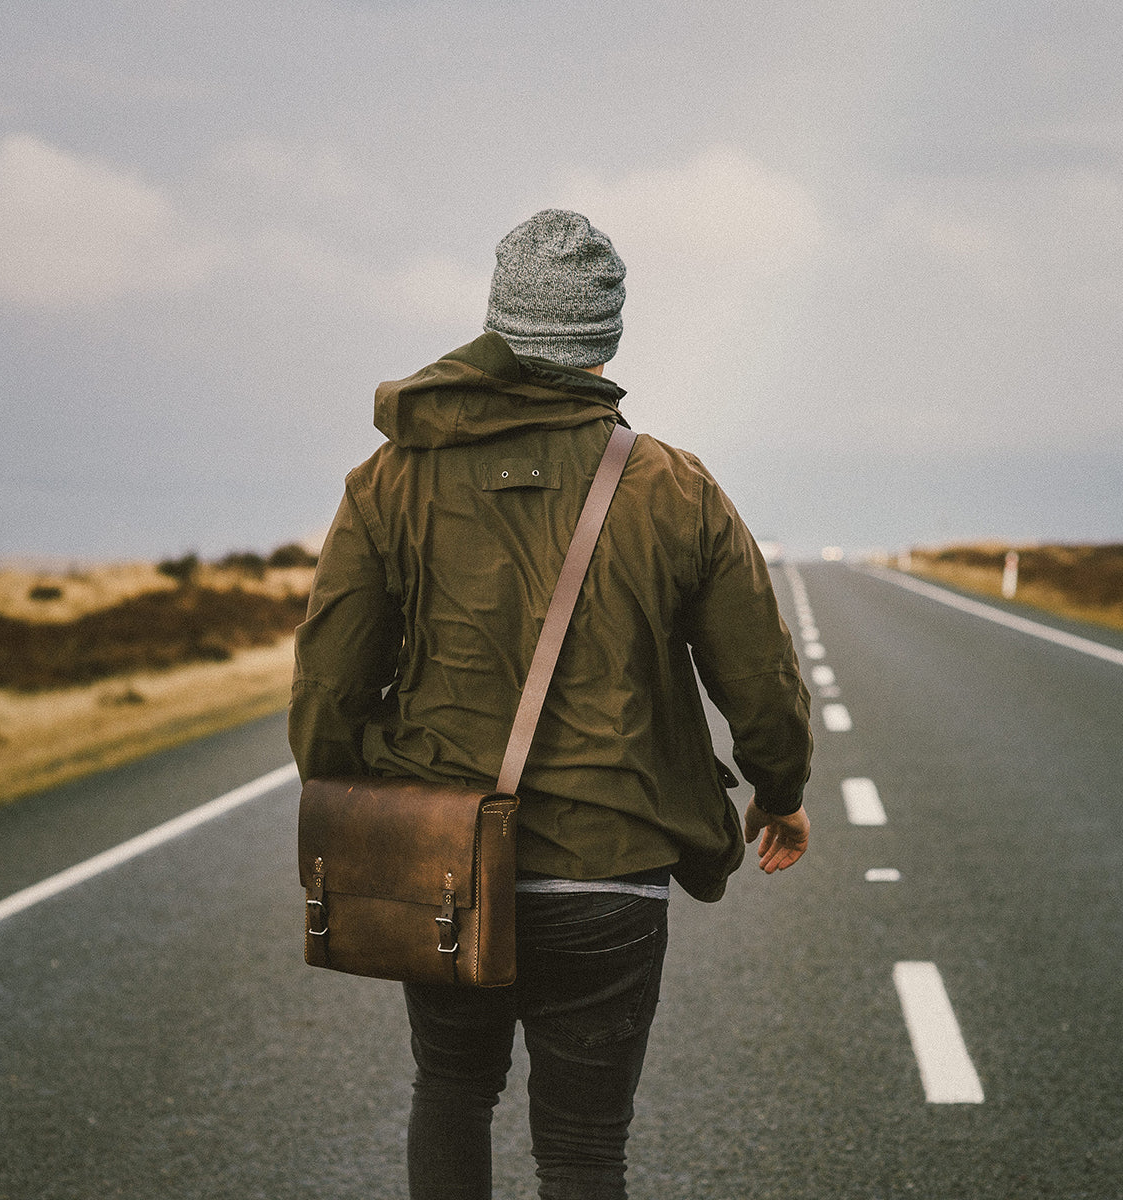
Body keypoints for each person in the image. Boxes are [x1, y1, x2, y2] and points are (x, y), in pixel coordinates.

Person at [289, 209, 813, 1200]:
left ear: (497, 322)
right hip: (611, 871)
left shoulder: (388, 479)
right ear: (605, 341)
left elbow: (327, 688)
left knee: (450, 1090)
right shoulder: (674, 486)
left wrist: (361, 808)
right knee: (583, 1149)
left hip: (444, 863)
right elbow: (761, 684)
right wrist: (779, 791)